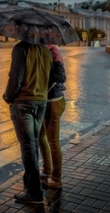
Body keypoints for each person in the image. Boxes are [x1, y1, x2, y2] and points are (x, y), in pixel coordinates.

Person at [3, 41, 53, 205]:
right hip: (41, 102)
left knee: (28, 147)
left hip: (24, 102)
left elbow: (15, 77)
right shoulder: (45, 50)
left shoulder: (20, 49)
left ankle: (34, 192)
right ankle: (33, 186)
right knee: (33, 146)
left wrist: (8, 97)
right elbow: (52, 76)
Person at [39, 44, 67, 189]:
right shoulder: (41, 50)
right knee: (40, 136)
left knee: (53, 141)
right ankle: (47, 170)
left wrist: (44, 70)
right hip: (45, 101)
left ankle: (56, 179)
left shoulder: (53, 52)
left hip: (54, 102)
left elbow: (62, 77)